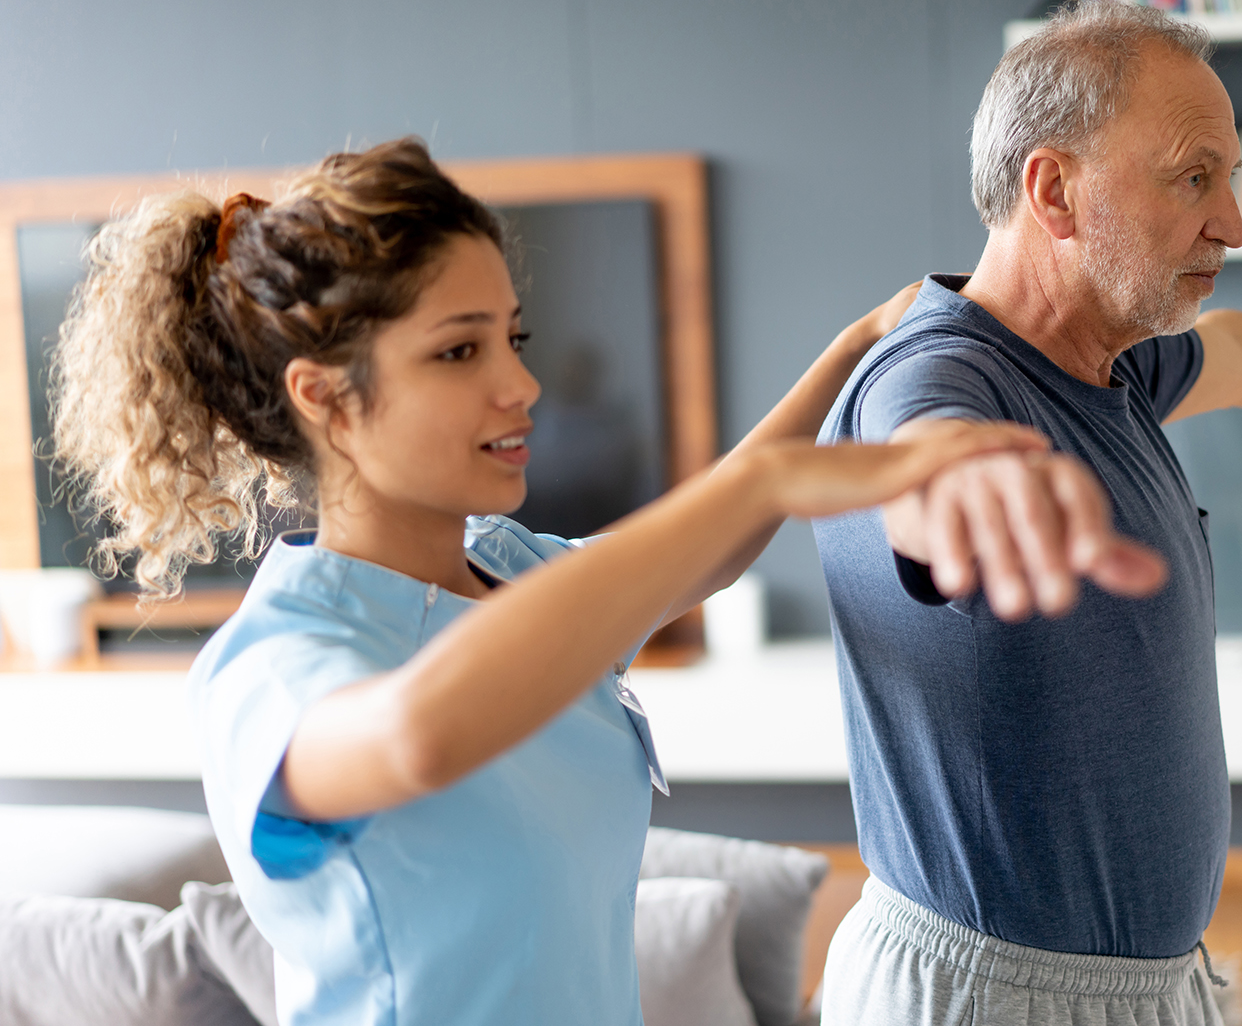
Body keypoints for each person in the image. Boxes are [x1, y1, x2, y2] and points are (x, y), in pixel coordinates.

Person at [46, 138, 1105, 1026]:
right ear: (328, 398)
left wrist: (863, 342)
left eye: (513, 336)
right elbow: (420, 732)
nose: (522, 384)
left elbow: (709, 542)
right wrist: (778, 478)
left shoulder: (508, 573)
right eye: (459, 353)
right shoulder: (273, 665)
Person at [813, 1, 1242, 1026]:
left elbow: (1240, 353)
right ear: (1054, 190)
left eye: (1230, 177)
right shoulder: (937, 369)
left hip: (1140, 984)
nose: (1233, 223)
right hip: (990, 997)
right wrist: (966, 494)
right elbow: (919, 454)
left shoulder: (1105, 365)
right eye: (1194, 176)